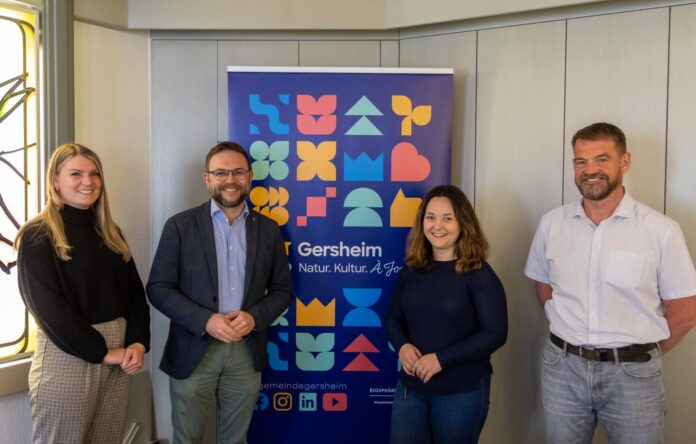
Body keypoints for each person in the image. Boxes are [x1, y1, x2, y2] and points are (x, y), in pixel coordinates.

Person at [525, 122, 696, 443]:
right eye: (580, 162)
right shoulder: (552, 224)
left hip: (633, 375)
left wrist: (643, 351)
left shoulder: (661, 230)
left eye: (601, 160)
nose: (590, 170)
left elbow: (686, 309)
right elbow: (544, 286)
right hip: (563, 369)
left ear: (624, 162)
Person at [147, 141, 293, 444]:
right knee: (186, 438)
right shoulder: (180, 226)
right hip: (193, 347)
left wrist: (254, 318)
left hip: (246, 348)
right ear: (207, 178)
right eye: (221, 172)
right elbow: (158, 288)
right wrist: (206, 320)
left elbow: (282, 289)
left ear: (250, 177)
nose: (230, 180)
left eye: (238, 172)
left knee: (236, 439)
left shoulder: (268, 229)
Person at [15, 143, 150, 443]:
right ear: (55, 180)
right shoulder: (37, 236)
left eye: (95, 174)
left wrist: (138, 343)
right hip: (69, 355)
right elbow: (49, 310)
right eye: (76, 173)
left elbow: (135, 297)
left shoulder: (111, 232)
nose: (88, 182)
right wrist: (102, 352)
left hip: (119, 356)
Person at [386, 184, 508, 444]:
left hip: (461, 391)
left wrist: (441, 359)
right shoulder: (412, 269)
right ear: (422, 223)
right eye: (430, 217)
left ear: (463, 223)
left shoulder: (479, 273)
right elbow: (393, 319)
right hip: (412, 388)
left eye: (447, 218)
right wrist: (402, 346)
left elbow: (495, 333)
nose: (437, 226)